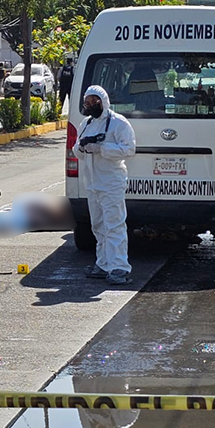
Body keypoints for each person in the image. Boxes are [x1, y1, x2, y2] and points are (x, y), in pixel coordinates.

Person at [72, 85, 136, 285]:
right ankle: (103, 264)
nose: (90, 105)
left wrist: (102, 148)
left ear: (103, 101)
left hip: (111, 182)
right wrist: (83, 146)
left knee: (114, 225)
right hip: (92, 183)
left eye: (94, 101)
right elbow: (77, 151)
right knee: (98, 225)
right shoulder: (86, 123)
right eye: (87, 102)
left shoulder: (118, 123)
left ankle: (119, 267)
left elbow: (129, 149)